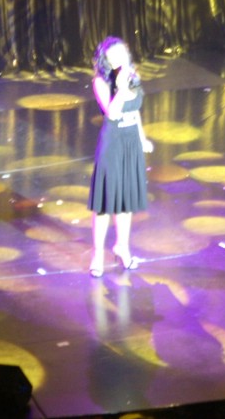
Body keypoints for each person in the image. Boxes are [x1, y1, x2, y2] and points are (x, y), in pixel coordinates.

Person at [88, 36, 153, 277]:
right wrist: (122, 89)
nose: (119, 58)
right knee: (105, 204)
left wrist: (142, 139)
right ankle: (98, 254)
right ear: (105, 59)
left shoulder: (133, 75)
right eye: (113, 55)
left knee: (126, 202)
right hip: (113, 143)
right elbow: (113, 114)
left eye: (122, 53)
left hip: (130, 143)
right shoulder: (100, 82)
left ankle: (122, 248)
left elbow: (135, 113)